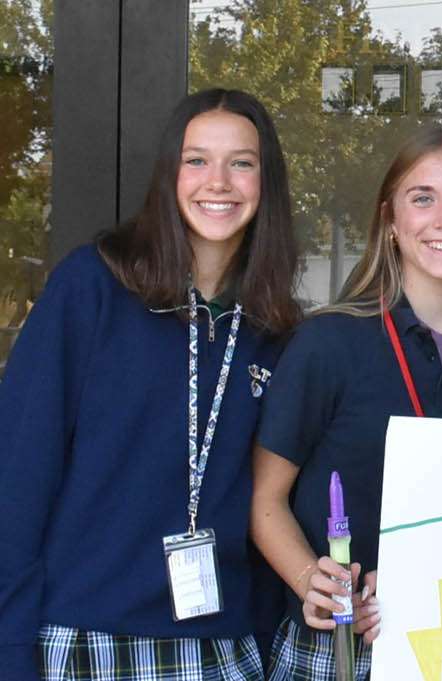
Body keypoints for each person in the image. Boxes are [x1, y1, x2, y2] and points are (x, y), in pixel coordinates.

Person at [0, 89, 300, 681]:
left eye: (241, 162)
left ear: (267, 183)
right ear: (169, 174)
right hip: (85, 636)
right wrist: (10, 648)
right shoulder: (93, 287)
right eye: (197, 161)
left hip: (223, 647)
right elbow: (19, 473)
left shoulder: (277, 330)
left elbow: (274, 503)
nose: (219, 181)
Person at [251, 127, 442, 680]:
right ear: (391, 222)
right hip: (337, 654)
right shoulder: (327, 343)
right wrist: (313, 582)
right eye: (422, 198)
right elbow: (264, 500)